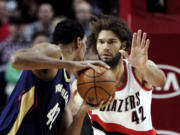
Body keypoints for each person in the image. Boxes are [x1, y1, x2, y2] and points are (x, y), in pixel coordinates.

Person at [0, 19, 112, 135]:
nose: (86, 51)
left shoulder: (66, 86)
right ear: (79, 42)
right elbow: (15, 60)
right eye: (85, 42)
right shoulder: (53, 51)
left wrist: (83, 110)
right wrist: (72, 64)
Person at [87, 15, 166, 135]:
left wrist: (142, 66)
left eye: (111, 42)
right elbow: (72, 108)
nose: (106, 47)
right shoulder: (87, 78)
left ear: (123, 45)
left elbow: (160, 82)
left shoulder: (137, 69)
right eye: (101, 42)